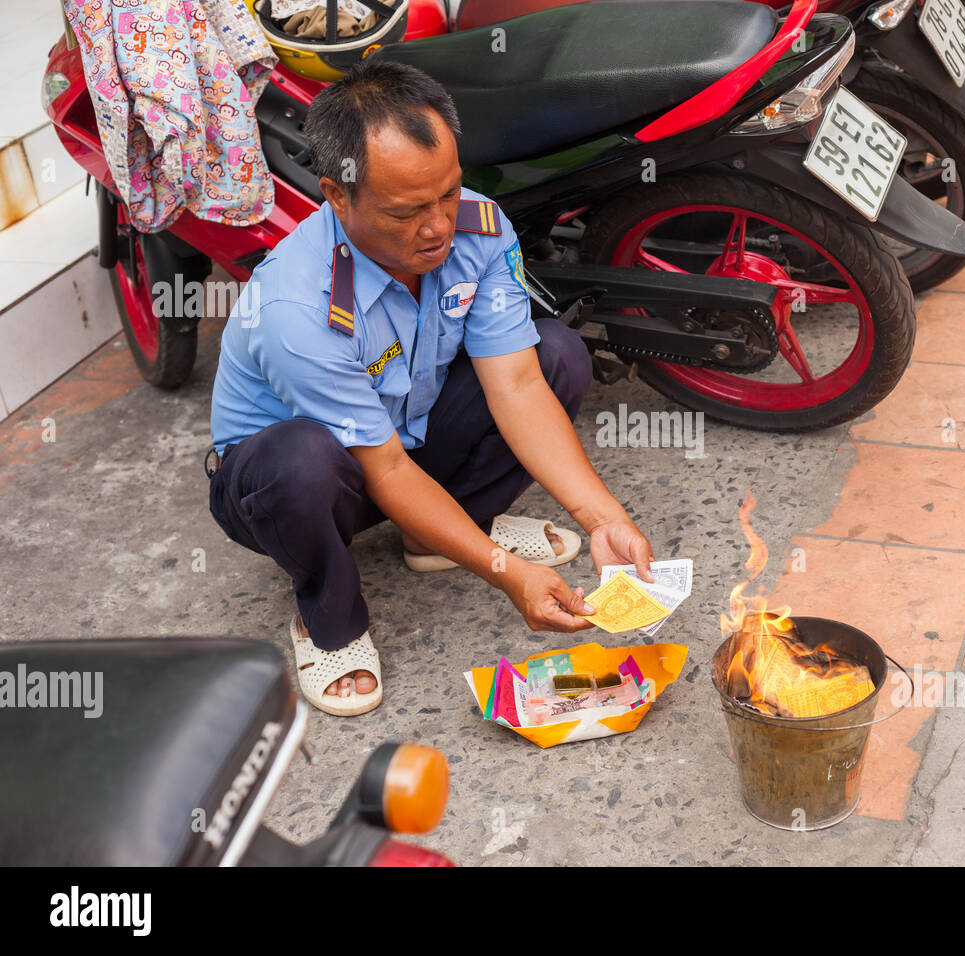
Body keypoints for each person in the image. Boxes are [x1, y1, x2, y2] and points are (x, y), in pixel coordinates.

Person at [206, 59, 655, 717]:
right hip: (297, 486)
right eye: (407, 210)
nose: (439, 225)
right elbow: (383, 469)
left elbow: (519, 386)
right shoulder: (295, 307)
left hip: (404, 440)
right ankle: (326, 615)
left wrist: (603, 518)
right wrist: (506, 575)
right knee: (300, 462)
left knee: (556, 354)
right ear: (337, 195)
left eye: (447, 192)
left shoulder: (480, 227)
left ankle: (439, 535)